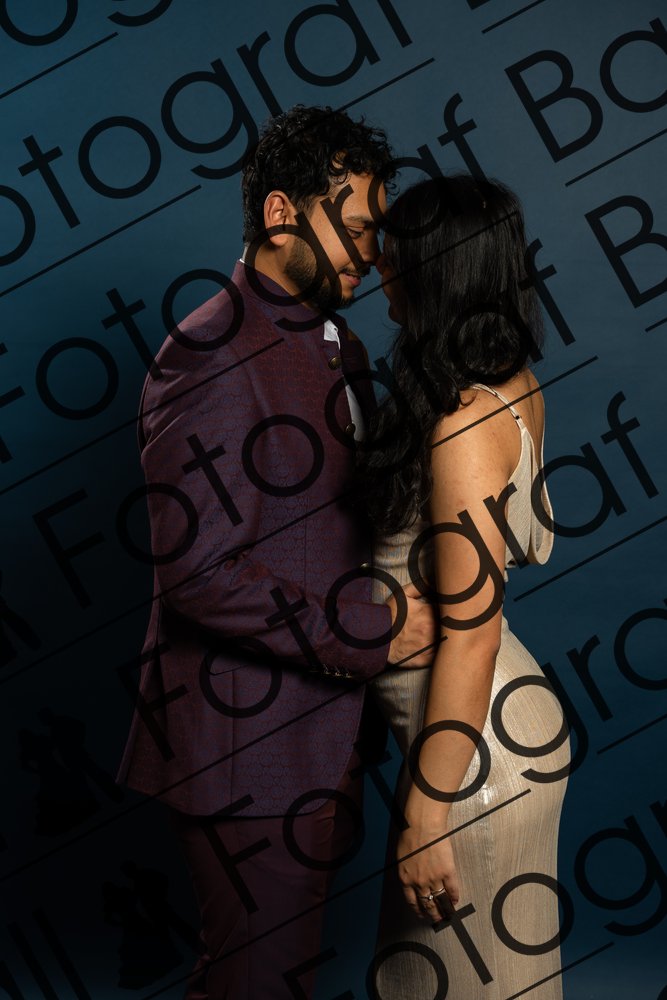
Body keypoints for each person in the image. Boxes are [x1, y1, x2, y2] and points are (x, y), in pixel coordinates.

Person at [116, 105, 437, 1000]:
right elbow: (199, 576)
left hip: (318, 739)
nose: (373, 253)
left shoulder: (341, 344)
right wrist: (373, 631)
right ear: (281, 214)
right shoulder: (210, 351)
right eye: (358, 227)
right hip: (243, 751)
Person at [358, 175, 571, 999]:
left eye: (394, 256)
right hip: (491, 737)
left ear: (435, 272)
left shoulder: (464, 424)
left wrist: (425, 816)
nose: (376, 266)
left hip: (473, 762)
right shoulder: (510, 381)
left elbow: (473, 631)